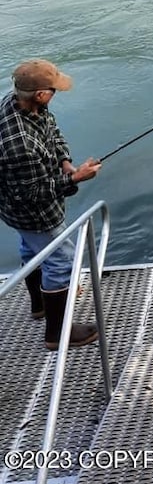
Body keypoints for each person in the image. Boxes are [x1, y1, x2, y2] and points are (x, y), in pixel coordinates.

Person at [0, 59, 102, 350]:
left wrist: (66, 163)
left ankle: (40, 304)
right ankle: (58, 334)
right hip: (36, 213)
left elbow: (52, 133)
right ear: (41, 94)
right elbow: (33, 192)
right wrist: (78, 178)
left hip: (13, 209)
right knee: (60, 262)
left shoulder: (20, 102)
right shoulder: (18, 143)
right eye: (54, 90)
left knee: (31, 249)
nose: (56, 94)